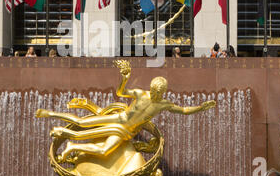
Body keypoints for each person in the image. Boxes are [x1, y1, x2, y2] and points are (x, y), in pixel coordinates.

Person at [35, 60, 216, 163]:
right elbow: (120, 93)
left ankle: (72, 147)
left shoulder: (163, 104)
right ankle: (50, 114)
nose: (153, 93)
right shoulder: (140, 93)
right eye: (153, 90)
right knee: (82, 123)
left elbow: (184, 110)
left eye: (157, 92)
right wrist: (124, 78)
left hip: (126, 132)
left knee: (104, 150)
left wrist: (201, 107)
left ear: (162, 92)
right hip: (118, 118)